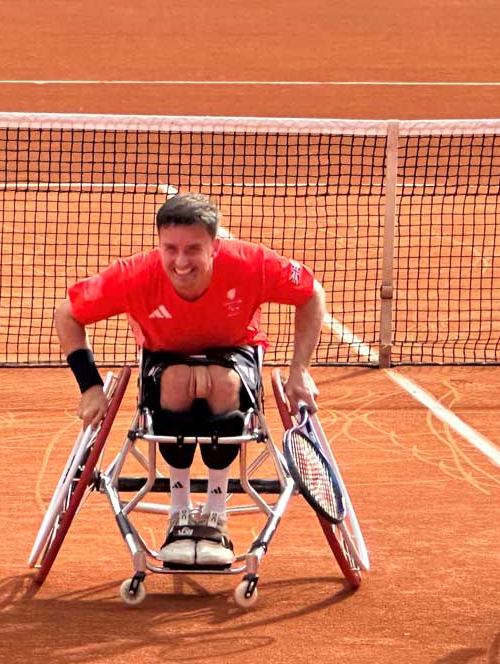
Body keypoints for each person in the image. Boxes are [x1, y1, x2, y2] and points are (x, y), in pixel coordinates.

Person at [54, 193, 325, 568]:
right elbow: (68, 313)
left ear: (215, 246)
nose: (181, 261)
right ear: (159, 245)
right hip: (163, 361)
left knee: (223, 383)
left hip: (235, 354)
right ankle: (179, 512)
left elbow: (311, 294)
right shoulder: (134, 275)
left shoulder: (251, 264)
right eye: (171, 248)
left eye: (193, 249)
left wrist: (300, 371)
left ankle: (217, 512)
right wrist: (90, 387)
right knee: (178, 381)